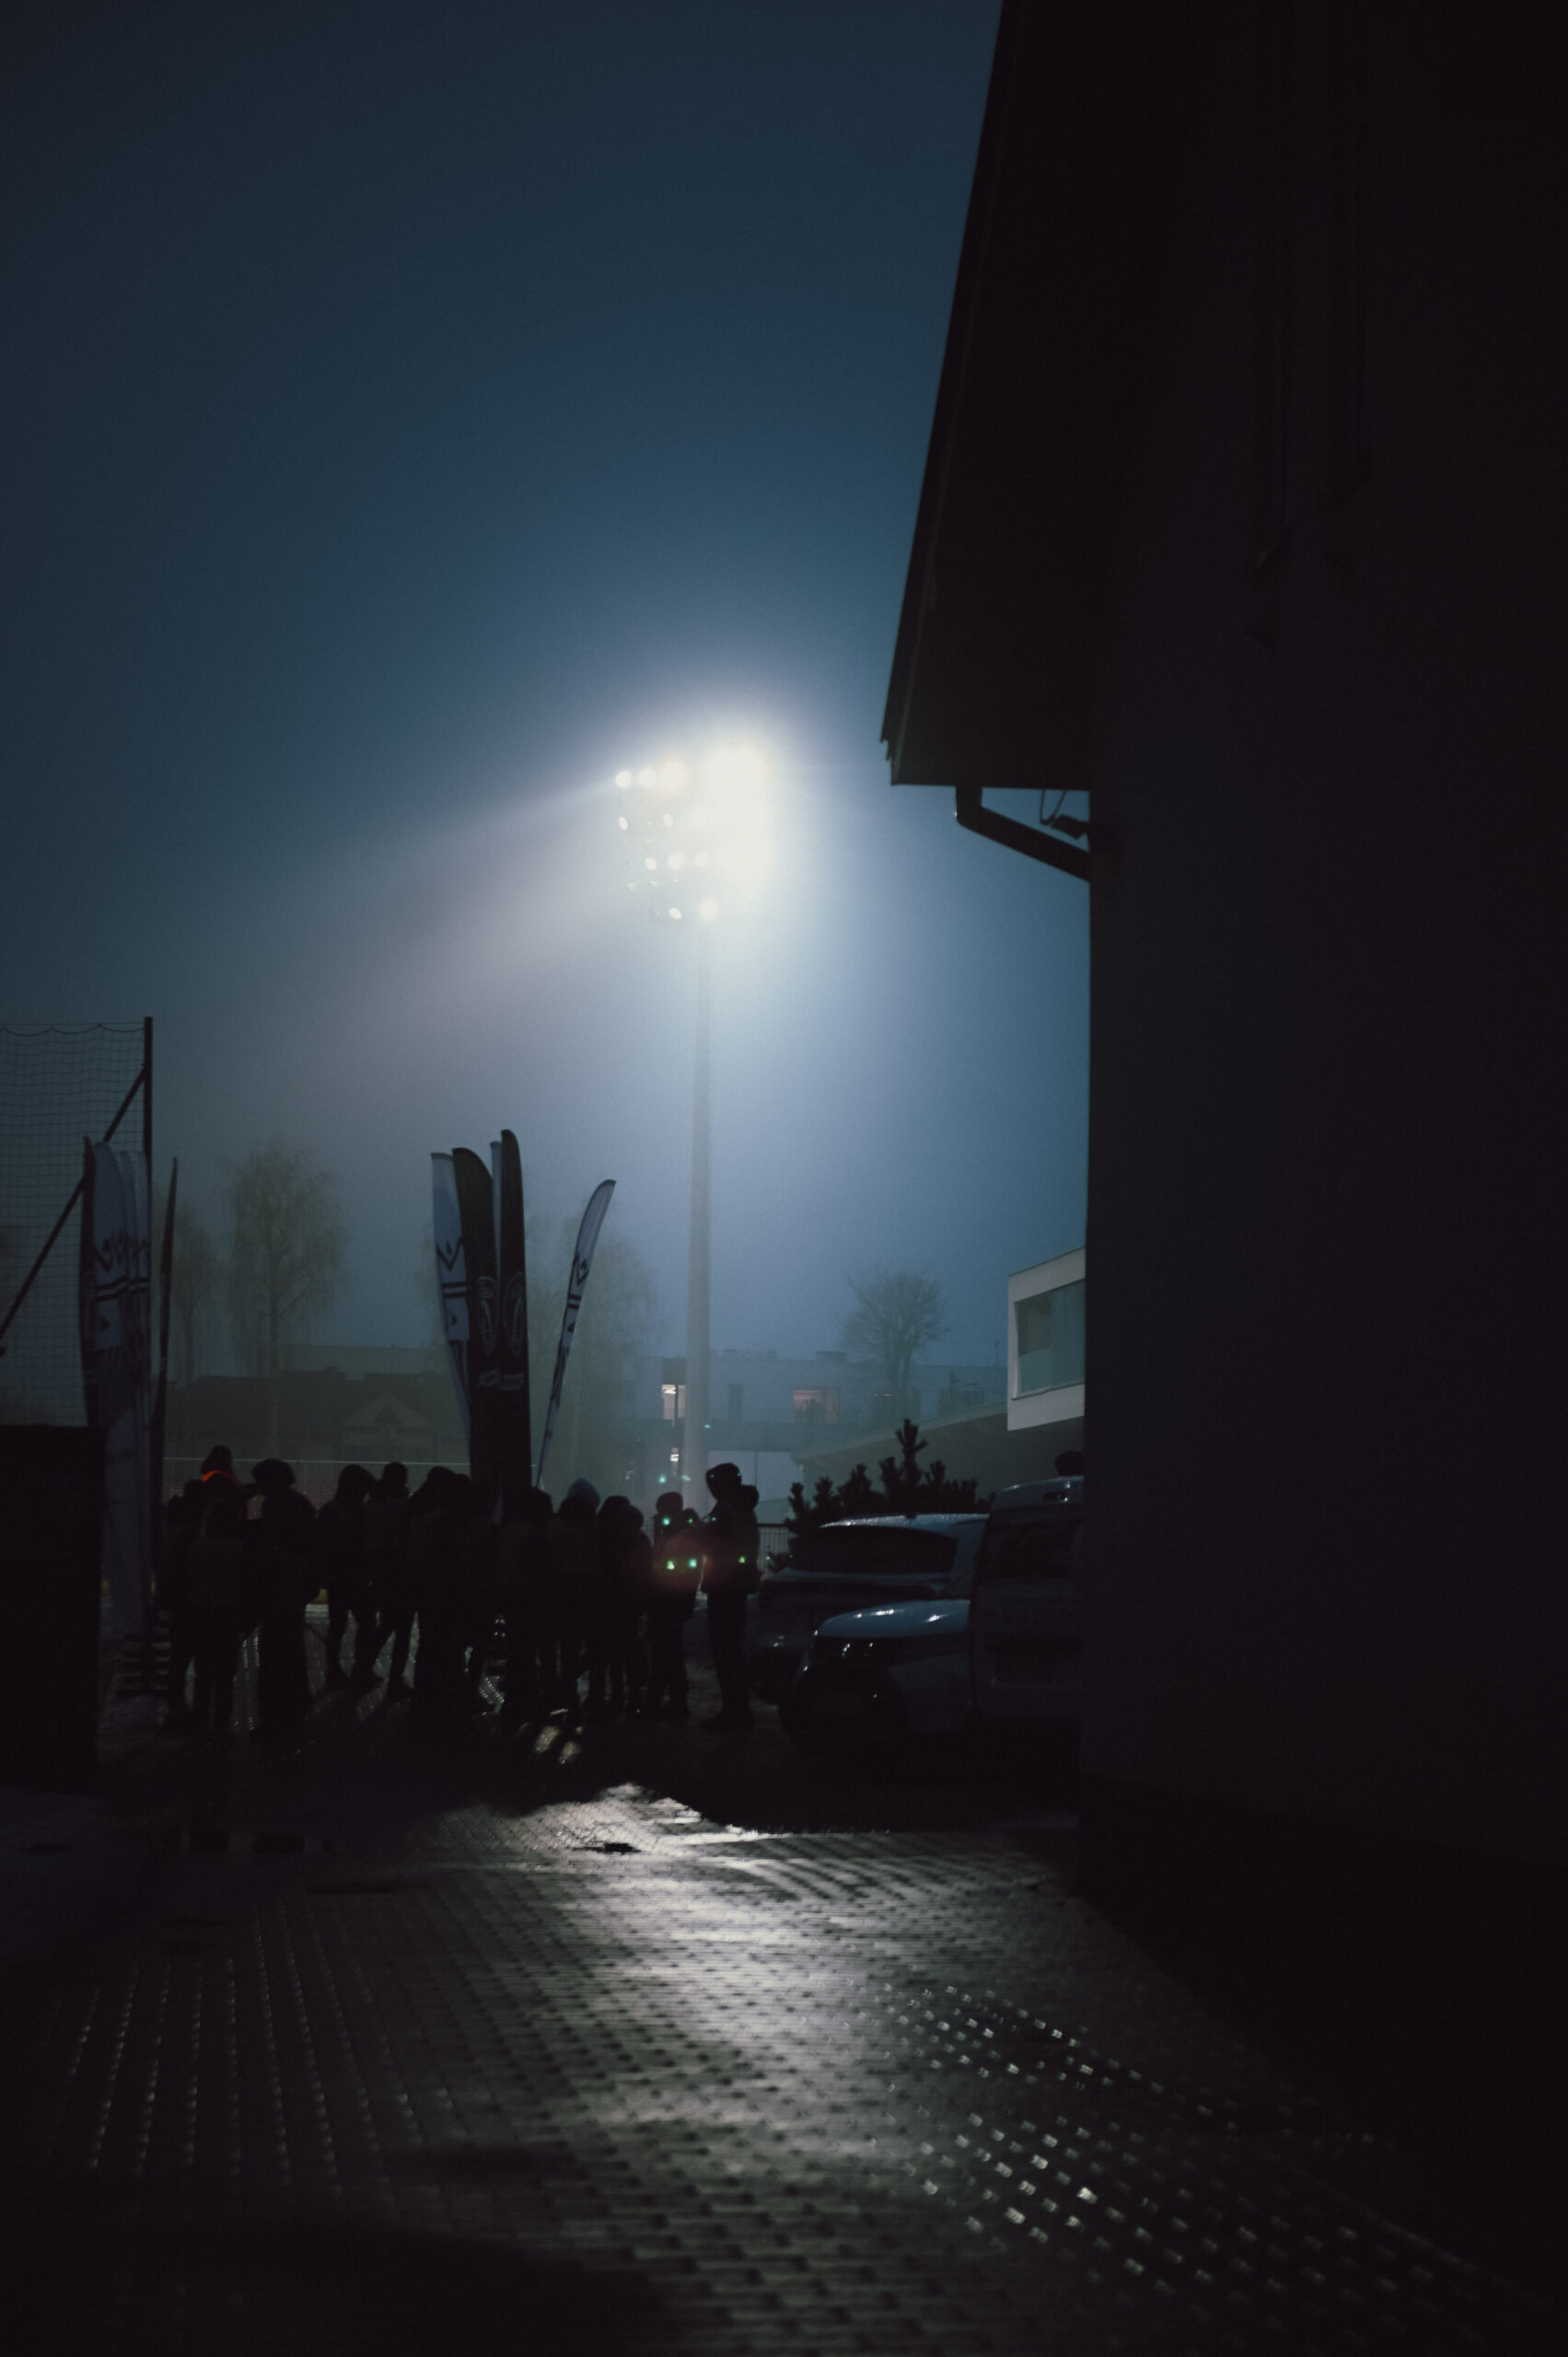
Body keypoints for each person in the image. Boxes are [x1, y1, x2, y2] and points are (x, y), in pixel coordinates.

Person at [250, 1459, 316, 1743]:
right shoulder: (299, 1504)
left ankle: (275, 1711)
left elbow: (269, 1547)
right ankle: (296, 1702)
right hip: (295, 1589)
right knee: (291, 1648)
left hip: (279, 1590)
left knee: (274, 1653)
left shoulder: (276, 1506)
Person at [697, 1462, 761, 1732]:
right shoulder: (745, 1508)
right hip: (738, 1584)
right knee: (733, 1649)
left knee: (724, 1650)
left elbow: (710, 1542)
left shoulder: (725, 1509)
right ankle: (739, 1710)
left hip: (723, 1585)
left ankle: (733, 1712)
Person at [189, 1479, 248, 1736]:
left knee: (203, 1671)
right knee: (226, 1674)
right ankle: (222, 1723)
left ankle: (199, 1719)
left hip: (202, 1612)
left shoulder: (196, 1548)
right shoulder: (239, 1550)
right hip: (229, 1614)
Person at [316, 1463, 376, 1691]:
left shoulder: (331, 1510)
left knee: (338, 1625)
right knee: (365, 1622)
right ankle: (360, 1669)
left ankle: (335, 1671)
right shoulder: (359, 1511)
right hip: (353, 1576)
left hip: (339, 1577)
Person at [495, 1485, 554, 1716]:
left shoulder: (507, 1531)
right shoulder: (536, 1534)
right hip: (529, 1595)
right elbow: (538, 1569)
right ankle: (528, 1698)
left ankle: (513, 1698)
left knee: (517, 1647)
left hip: (508, 1592)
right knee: (529, 1649)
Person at [644, 1492, 701, 1719]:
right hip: (676, 1599)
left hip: (669, 1599)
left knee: (664, 1651)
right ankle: (676, 1699)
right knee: (671, 1651)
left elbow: (663, 1566)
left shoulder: (678, 1538)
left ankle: (657, 1700)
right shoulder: (686, 1533)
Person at [364, 1462, 414, 1698]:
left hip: (380, 1572)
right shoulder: (405, 1506)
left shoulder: (371, 1505)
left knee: (385, 1625)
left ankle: (363, 1668)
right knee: (402, 1632)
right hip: (402, 1573)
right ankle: (395, 1682)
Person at [549, 1479, 599, 1712]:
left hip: (561, 1589)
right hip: (591, 1590)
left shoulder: (554, 1527)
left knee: (567, 1645)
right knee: (595, 1646)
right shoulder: (597, 1527)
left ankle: (568, 1693)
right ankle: (595, 1696)